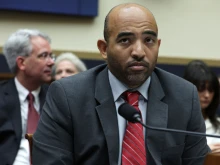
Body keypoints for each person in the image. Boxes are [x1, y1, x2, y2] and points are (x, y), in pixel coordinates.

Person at [32, 3, 209, 165]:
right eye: (125, 40)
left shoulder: (185, 96)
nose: (139, 52)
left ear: (158, 45)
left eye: (149, 40)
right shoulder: (67, 95)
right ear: (103, 48)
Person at [0, 29, 54, 165]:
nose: (51, 62)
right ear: (22, 63)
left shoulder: (55, 98)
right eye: (44, 56)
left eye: (51, 56)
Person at [183, 60, 220, 153]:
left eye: (211, 90)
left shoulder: (218, 124)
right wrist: (205, 151)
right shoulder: (176, 123)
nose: (207, 95)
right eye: (201, 89)